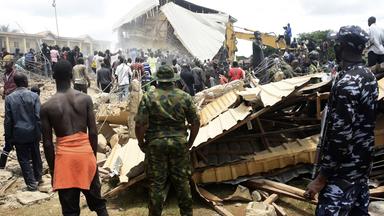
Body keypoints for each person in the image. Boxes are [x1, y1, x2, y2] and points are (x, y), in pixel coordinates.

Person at [304, 26, 378, 216]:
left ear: (342, 47)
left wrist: (322, 178)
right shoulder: (368, 76)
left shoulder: (347, 82)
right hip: (361, 167)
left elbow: (341, 136)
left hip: (341, 172)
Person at [41, 60, 108, 216]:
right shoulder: (85, 99)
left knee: (70, 211)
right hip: (85, 155)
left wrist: (53, 170)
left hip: (64, 161)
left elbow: (48, 144)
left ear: (53, 77)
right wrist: (92, 157)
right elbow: (92, 132)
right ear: (72, 76)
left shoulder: (47, 106)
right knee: (99, 204)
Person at [135, 65, 200, 216]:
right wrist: (190, 142)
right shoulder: (184, 97)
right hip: (179, 144)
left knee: (157, 184)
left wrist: (141, 142)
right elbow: (195, 123)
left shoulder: (148, 97)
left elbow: (140, 124)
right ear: (173, 79)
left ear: (157, 80)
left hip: (156, 144)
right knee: (182, 182)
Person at [4, 73, 42, 191]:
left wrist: (8, 138)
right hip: (33, 131)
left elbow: (8, 120)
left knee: (23, 159)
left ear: (15, 83)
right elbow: (38, 116)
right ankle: (38, 177)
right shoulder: (34, 96)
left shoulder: (9, 98)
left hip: (18, 133)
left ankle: (31, 184)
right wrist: (41, 133)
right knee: (36, 154)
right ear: (25, 81)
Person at [0, 55, 18, 169]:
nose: (6, 67)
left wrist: (8, 92)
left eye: (7, 64)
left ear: (11, 64)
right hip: (8, 101)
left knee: (14, 121)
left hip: (15, 102)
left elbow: (20, 87)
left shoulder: (16, 74)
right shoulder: (4, 75)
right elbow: (3, 85)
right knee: (8, 121)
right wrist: (2, 90)